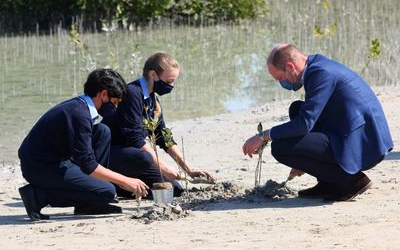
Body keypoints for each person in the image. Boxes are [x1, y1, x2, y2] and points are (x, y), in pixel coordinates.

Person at [242, 43, 393, 201]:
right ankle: (328, 182)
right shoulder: (316, 66)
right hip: (352, 130)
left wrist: (262, 136)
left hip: (363, 143)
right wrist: (303, 160)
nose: (282, 83)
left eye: (280, 78)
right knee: (297, 109)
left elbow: (304, 125)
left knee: (281, 147)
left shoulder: (321, 73)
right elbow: (307, 118)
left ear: (290, 67)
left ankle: (350, 181)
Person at [18, 68, 149, 221]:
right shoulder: (79, 115)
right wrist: (126, 180)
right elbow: (89, 165)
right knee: (107, 191)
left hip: (57, 159)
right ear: (104, 94)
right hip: (39, 167)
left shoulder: (80, 106)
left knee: (102, 131)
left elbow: (85, 157)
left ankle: (89, 204)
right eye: (115, 102)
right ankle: (38, 196)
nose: (116, 108)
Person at [101, 52, 214, 197]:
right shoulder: (131, 94)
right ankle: (111, 183)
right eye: (169, 81)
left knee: (172, 191)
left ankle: (127, 186)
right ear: (153, 75)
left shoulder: (153, 99)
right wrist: (164, 168)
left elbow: (163, 136)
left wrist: (189, 170)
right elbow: (135, 139)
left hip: (134, 157)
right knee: (143, 157)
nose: (171, 86)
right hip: (112, 154)